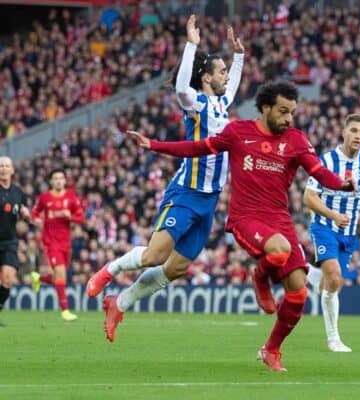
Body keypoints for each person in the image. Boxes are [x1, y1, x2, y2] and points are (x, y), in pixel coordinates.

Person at [127, 80, 355, 371]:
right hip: (246, 217)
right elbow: (198, 147)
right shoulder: (237, 132)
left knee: (298, 293)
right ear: (265, 108)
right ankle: (260, 279)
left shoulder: (296, 140)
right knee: (280, 249)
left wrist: (342, 185)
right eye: (283, 111)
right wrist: (154, 145)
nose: (289, 118)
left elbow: (319, 171)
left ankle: (271, 350)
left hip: (279, 220)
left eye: (293, 113)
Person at [86, 15, 244, 327]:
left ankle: (121, 302)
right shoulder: (196, 102)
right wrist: (191, 45)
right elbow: (182, 86)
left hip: (210, 199)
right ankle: (109, 271)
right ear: (207, 78)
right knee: (155, 256)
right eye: (221, 72)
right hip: (187, 192)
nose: (226, 76)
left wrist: (238, 55)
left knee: (176, 268)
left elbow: (234, 83)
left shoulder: (222, 104)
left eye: (226, 71)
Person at [304, 113, 360, 352]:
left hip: (349, 234)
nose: (358, 136)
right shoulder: (325, 161)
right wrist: (334, 216)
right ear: (343, 132)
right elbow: (309, 197)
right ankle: (333, 338)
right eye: (354, 131)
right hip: (324, 226)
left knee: (332, 284)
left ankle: (311, 275)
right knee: (334, 278)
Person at [31, 168, 84, 322]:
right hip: (50, 241)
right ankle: (65, 310)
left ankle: (39, 278)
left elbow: (80, 218)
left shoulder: (71, 198)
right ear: (51, 181)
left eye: (61, 178)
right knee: (61, 274)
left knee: (59, 277)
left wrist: (71, 217)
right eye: (56, 178)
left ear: (65, 181)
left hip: (65, 243)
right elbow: (35, 213)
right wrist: (37, 220)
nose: (59, 181)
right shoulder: (44, 198)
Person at [0, 156, 31, 326]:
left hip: (9, 242)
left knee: (8, 278)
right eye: (1, 166)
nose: (3, 169)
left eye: (6, 166)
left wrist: (26, 216)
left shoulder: (18, 193)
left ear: (12, 170)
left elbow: (24, 212)